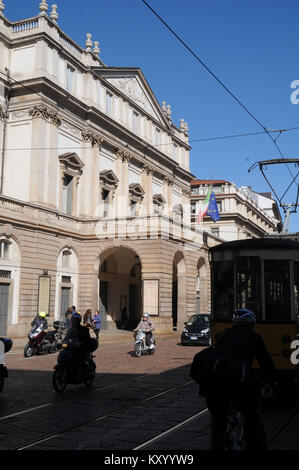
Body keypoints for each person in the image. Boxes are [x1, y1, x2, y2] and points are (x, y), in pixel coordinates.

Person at [205, 308, 275, 450]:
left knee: (218, 420)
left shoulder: (223, 335)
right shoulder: (254, 337)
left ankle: (216, 445)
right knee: (252, 419)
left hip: (217, 385)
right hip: (241, 385)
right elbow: (266, 363)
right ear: (251, 324)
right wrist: (269, 381)